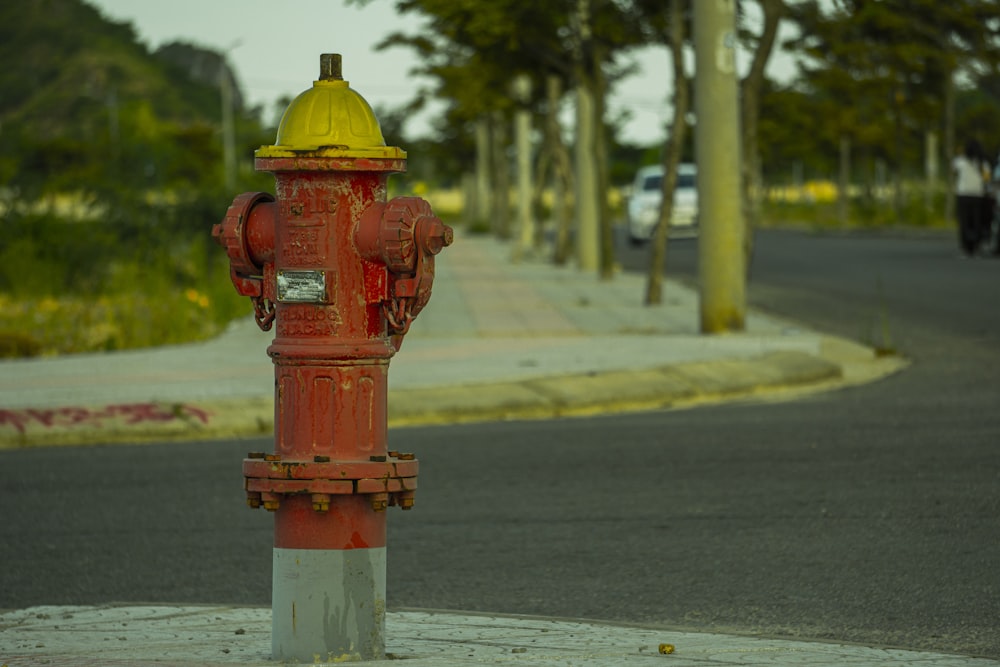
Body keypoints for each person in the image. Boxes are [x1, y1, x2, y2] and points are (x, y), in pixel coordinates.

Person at [953, 139, 988, 257]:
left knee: (965, 221)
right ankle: (977, 246)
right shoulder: (983, 163)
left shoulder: (961, 161)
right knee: (976, 221)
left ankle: (966, 247)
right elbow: (987, 178)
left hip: (963, 194)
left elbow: (953, 170)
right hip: (978, 194)